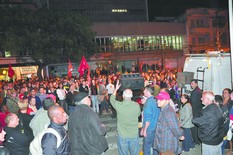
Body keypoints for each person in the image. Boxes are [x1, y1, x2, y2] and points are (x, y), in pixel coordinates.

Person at [110, 80, 141, 155]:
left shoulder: (119, 105)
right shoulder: (136, 105)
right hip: (133, 134)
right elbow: (138, 114)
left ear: (123, 96)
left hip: (122, 135)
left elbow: (112, 99)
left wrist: (116, 89)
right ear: (132, 96)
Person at [140, 85, 160, 155]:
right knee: (155, 146)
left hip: (150, 128)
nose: (143, 91)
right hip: (156, 126)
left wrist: (144, 129)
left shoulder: (148, 103)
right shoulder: (156, 100)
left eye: (144, 90)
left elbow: (148, 119)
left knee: (146, 147)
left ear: (148, 92)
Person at [190, 79, 202, 145]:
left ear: (196, 83)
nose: (191, 85)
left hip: (195, 111)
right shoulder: (197, 90)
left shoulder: (196, 91)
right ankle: (196, 140)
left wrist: (191, 112)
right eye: (191, 83)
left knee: (195, 127)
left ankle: (196, 141)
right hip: (197, 111)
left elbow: (194, 103)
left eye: (192, 83)